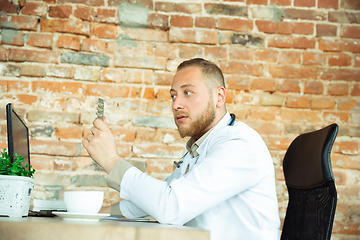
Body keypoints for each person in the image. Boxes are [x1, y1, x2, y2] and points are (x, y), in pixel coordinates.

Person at [82, 58, 280, 240]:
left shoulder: (239, 145)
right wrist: (97, 213)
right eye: (173, 96)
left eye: (187, 93)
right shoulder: (199, 147)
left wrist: (111, 160)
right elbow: (156, 199)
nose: (176, 104)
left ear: (219, 96)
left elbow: (171, 206)